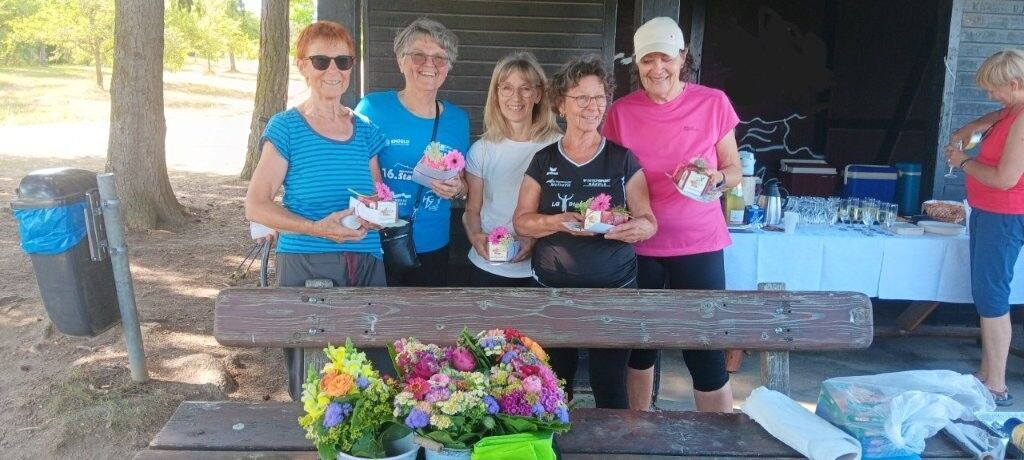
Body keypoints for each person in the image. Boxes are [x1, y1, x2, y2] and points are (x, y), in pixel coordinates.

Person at [245, 21, 388, 400]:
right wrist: (317, 228)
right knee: (316, 383)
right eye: (321, 60)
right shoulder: (287, 128)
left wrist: (377, 213)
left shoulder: (367, 129)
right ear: (302, 66)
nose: (333, 71)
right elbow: (256, 205)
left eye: (343, 61)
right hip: (307, 261)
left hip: (367, 263)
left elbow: (376, 196)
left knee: (372, 378)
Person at [603, 17, 740, 412]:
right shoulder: (621, 112)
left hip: (699, 243)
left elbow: (733, 169)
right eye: (647, 60)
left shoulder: (713, 102)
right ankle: (637, 437)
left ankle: (719, 446)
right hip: (638, 246)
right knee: (639, 348)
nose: (656, 68)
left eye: (665, 57)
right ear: (637, 64)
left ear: (682, 57)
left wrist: (716, 179)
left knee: (705, 351)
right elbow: (610, 177)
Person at [513, 55, 657, 408]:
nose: (592, 107)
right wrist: (556, 222)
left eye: (598, 98)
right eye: (581, 98)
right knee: (554, 387)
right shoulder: (544, 160)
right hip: (553, 293)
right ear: (561, 104)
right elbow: (521, 221)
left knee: (609, 387)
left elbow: (649, 221)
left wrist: (635, 229)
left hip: (614, 293)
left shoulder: (623, 159)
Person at [355, 18, 470, 287]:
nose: (429, 65)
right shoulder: (372, 108)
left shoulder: (457, 120)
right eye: (418, 55)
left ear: (448, 68)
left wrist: (457, 188)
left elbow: (464, 183)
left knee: (426, 324)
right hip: (377, 240)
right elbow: (352, 170)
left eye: (440, 59)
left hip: (433, 243)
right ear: (400, 61)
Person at [944, 49, 1024, 407]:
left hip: (1004, 213)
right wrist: (971, 127)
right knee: (986, 291)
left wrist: (963, 162)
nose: (989, 96)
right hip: (988, 211)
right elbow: (997, 115)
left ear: (1015, 83)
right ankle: (985, 372)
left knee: (993, 295)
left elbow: (1004, 179)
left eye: (994, 89)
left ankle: (996, 385)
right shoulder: (1013, 110)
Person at [464, 52, 562, 287]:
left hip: (541, 267)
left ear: (538, 94)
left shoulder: (559, 146)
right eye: (506, 88)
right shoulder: (481, 150)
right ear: (496, 95)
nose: (515, 97)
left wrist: (533, 240)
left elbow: (562, 210)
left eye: (525, 88)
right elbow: (472, 210)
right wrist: (476, 236)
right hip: (488, 266)